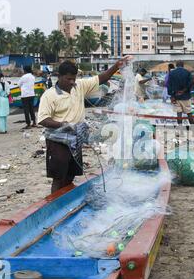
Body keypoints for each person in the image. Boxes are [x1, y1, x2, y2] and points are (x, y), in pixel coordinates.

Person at [38, 57, 131, 194]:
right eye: (68, 79)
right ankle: (54, 202)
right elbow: (43, 119)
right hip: (58, 141)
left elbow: (101, 78)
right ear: (59, 77)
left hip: (76, 139)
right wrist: (64, 125)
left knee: (71, 174)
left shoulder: (79, 86)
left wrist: (117, 65)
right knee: (58, 177)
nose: (71, 82)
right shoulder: (49, 95)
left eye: (73, 79)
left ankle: (66, 197)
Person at [168, 61, 194, 125]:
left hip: (176, 96)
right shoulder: (187, 72)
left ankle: (180, 131)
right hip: (186, 96)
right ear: (183, 65)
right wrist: (184, 90)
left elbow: (169, 85)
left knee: (179, 113)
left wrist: (171, 96)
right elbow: (191, 83)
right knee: (189, 113)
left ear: (176, 65)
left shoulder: (172, 73)